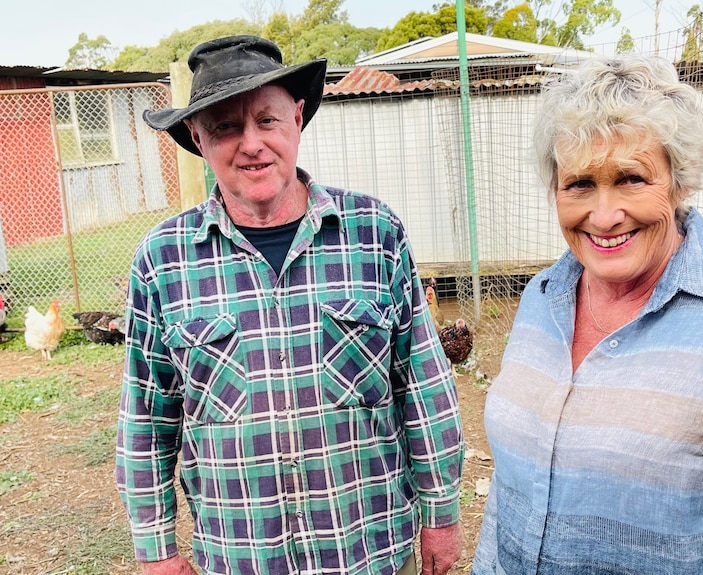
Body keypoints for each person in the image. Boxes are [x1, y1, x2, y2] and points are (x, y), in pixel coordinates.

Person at [115, 35, 464, 575]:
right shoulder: (163, 260)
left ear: (297, 118)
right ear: (197, 138)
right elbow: (146, 417)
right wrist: (156, 549)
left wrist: (440, 514)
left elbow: (421, 385)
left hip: (366, 552)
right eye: (226, 127)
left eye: (266, 120)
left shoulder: (375, 234)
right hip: (241, 555)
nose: (251, 143)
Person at [472, 55, 703, 574]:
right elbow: (509, 490)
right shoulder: (541, 298)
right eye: (579, 185)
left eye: (632, 179)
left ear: (680, 181)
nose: (604, 215)